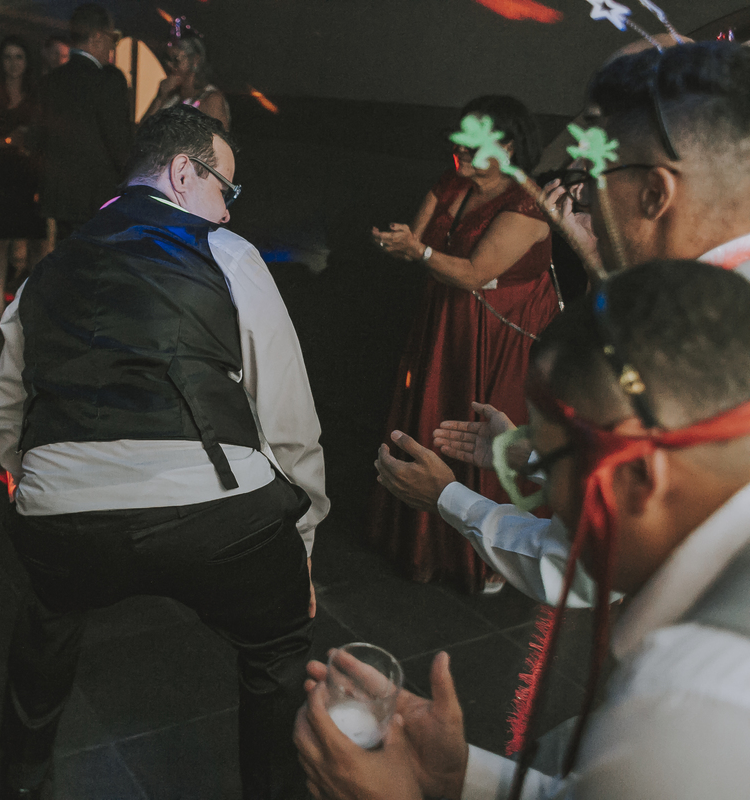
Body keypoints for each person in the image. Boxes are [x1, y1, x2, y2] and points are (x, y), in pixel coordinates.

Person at [296, 259, 750, 800]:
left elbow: (563, 563)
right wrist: (460, 776)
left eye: (550, 464)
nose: (544, 493)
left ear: (640, 475)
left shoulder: (690, 708)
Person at [0, 105, 327, 800]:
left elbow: (1, 416)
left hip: (63, 519)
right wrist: (302, 542)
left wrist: (40, 488)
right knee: (279, 642)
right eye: (225, 189)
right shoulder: (227, 253)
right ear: (181, 172)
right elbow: (289, 418)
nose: (227, 211)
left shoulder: (46, 271)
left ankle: (21, 778)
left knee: (51, 606)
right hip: (217, 516)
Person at [375, 41, 750, 604]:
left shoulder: (679, 344)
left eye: (592, 177)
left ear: (655, 193)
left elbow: (582, 565)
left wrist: (449, 498)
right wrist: (530, 455)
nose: (581, 199)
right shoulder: (705, 293)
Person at [367, 95, 559, 594]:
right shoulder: (452, 183)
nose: (462, 150)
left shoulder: (526, 203)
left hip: (500, 331)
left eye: (474, 141)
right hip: (446, 318)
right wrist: (397, 242)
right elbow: (416, 241)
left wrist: (419, 251)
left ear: (508, 147)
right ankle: (423, 546)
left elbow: (475, 272)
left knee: (488, 426)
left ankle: (493, 557)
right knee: (436, 414)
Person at [35, 3, 132, 244]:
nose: (113, 45)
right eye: (112, 38)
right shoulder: (108, 80)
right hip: (98, 197)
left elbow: (38, 138)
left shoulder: (51, 81)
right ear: (98, 37)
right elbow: (118, 142)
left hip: (60, 198)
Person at [0, 35, 44, 328]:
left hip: (30, 172)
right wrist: (7, 141)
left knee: (33, 237)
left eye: (19, 57)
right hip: (2, 173)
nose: (13, 63)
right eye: (8, 57)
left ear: (27, 62)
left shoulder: (35, 96)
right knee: (0, 239)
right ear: (0, 62)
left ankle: (28, 302)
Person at [144, 17, 231, 130]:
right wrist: (159, 98)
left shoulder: (211, 100)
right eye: (167, 59)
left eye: (176, 60)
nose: (169, 65)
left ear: (195, 60)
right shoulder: (170, 99)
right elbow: (141, 134)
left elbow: (220, 139)